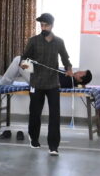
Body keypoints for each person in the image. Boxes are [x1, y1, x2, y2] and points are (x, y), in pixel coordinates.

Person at [21, 13, 73, 156]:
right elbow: (24, 58)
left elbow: (65, 58)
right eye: (42, 25)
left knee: (55, 115)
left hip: (53, 84)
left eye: (46, 25)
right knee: (35, 113)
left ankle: (53, 146)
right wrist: (24, 64)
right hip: (36, 83)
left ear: (52, 25)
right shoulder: (33, 41)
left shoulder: (59, 42)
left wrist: (69, 69)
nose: (43, 28)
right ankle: (34, 139)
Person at [0, 56, 91, 88]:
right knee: (19, 61)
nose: (79, 71)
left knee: (18, 60)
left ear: (80, 79)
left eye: (81, 73)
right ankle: (7, 81)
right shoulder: (71, 78)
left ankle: (5, 82)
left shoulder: (69, 80)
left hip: (38, 82)